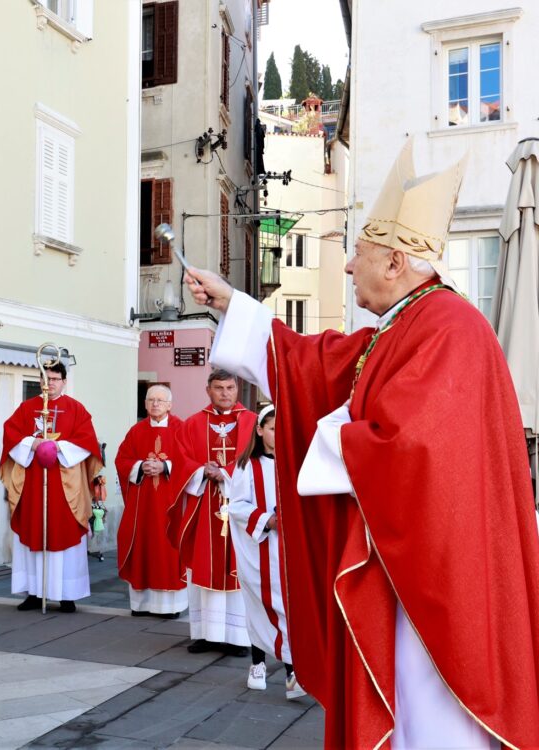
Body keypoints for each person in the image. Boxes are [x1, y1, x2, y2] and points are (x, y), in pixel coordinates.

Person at [184, 140, 539, 748]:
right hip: (413, 574)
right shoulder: (403, 327)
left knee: (433, 720)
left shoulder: (450, 329)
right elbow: (316, 365)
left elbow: (412, 446)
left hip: (439, 587)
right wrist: (231, 307)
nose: (348, 268)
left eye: (357, 253)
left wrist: (335, 434)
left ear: (397, 262)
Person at [0, 362, 103, 613]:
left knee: (64, 536)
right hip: (34, 485)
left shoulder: (76, 409)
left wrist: (58, 448)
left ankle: (67, 595)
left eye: (55, 379)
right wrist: (33, 445)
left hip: (65, 487)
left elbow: (87, 441)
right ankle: (34, 593)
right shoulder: (27, 408)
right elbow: (10, 433)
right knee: (33, 533)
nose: (50, 384)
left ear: (64, 381)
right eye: (46, 379)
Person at [170, 369, 256, 655]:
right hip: (203, 506)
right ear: (208, 390)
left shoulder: (253, 423)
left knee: (240, 569)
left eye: (229, 387)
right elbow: (180, 458)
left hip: (240, 506)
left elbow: (262, 459)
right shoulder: (193, 424)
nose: (225, 393)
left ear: (237, 388)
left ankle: (239, 637)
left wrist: (227, 473)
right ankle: (207, 634)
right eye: (218, 388)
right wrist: (200, 470)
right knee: (204, 566)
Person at [227, 405, 304, 700]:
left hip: (289, 550)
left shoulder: (295, 462)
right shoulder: (248, 465)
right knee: (260, 605)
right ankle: (258, 664)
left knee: (288, 609)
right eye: (272, 428)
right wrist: (267, 519)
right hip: (259, 547)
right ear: (260, 430)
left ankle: (291, 673)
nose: (277, 434)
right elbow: (236, 506)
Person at [115, 385, 193, 618]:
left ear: (170, 404)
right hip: (143, 505)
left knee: (167, 550)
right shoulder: (136, 431)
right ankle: (141, 604)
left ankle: (170, 606)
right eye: (151, 400)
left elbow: (191, 462)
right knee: (142, 547)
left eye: (160, 400)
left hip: (172, 505)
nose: (155, 404)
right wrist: (139, 466)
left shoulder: (182, 429)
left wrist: (165, 466)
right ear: (145, 404)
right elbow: (122, 460)